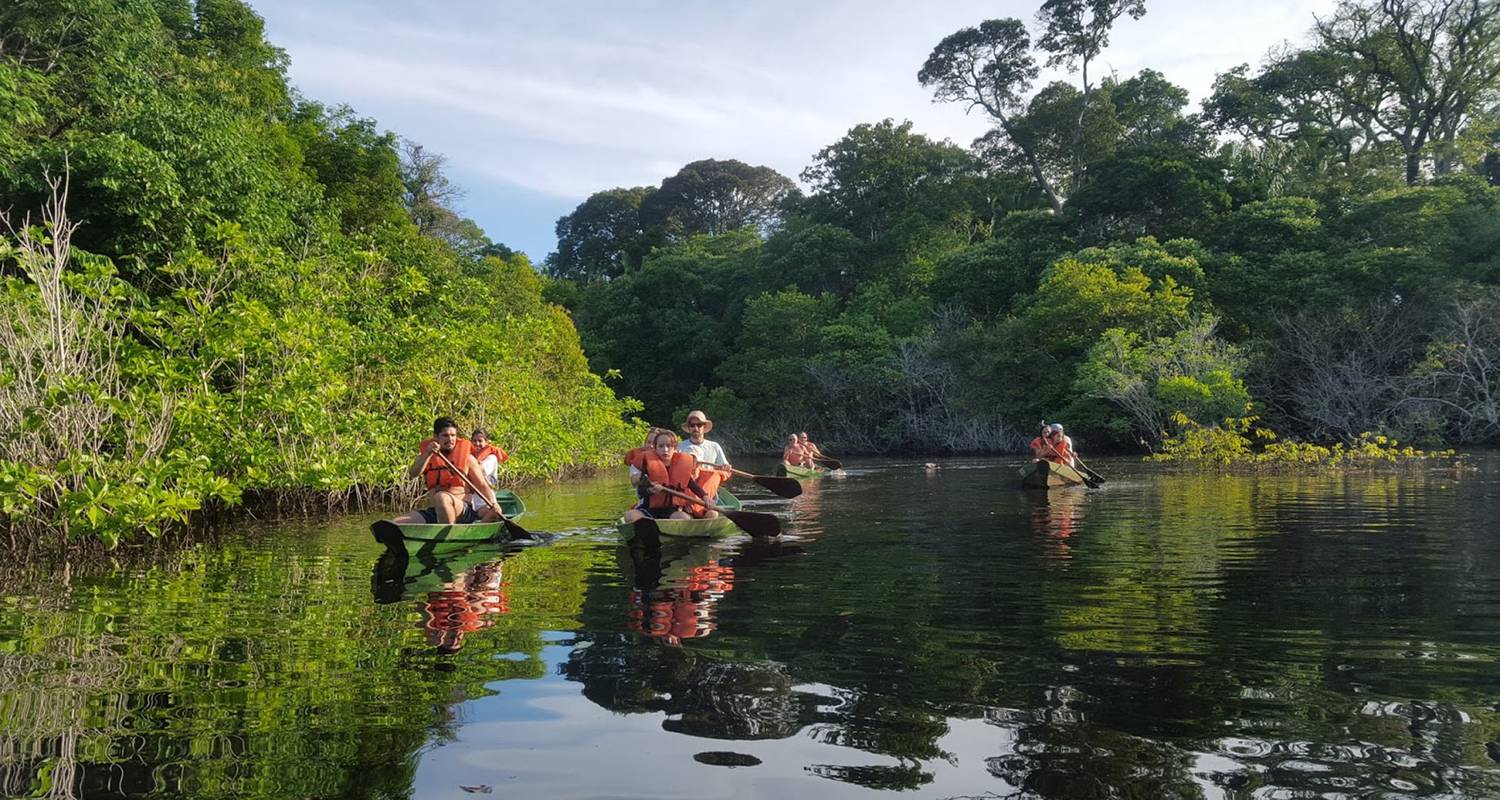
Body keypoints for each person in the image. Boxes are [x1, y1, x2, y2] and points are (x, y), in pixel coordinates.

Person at [396, 417, 507, 525]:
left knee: (441, 497)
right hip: (436, 511)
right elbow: (413, 473)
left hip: (463, 510)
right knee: (395, 524)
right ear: (436, 437)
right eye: (445, 435)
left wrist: (494, 503)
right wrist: (428, 454)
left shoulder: (467, 458)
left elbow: (482, 485)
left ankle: (450, 536)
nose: (450, 439)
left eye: (453, 435)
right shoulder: (427, 456)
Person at [622, 429, 717, 523]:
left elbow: (693, 486)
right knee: (629, 515)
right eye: (661, 446)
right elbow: (641, 491)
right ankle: (648, 527)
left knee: (682, 517)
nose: (665, 450)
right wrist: (650, 490)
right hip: (649, 509)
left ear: (675, 448)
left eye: (669, 446)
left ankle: (666, 529)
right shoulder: (647, 466)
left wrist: (706, 498)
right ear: (655, 448)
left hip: (671, 511)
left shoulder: (681, 467)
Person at [678, 410, 731, 503]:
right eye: (692, 425)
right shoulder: (680, 447)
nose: (695, 428)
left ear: (704, 426)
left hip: (709, 490)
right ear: (689, 427)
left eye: (699, 425)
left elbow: (725, 468)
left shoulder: (714, 446)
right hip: (687, 490)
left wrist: (726, 467)